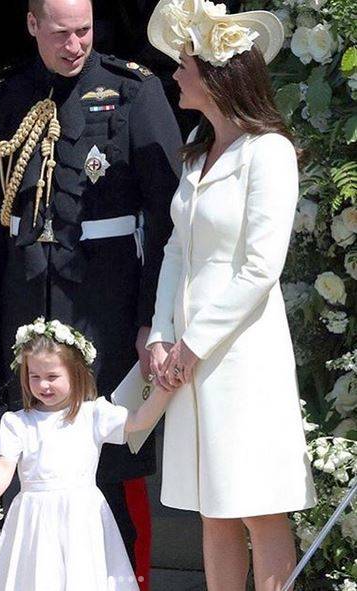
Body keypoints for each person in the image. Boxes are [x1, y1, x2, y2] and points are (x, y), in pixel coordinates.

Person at [0, 0, 182, 580]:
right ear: (32, 25)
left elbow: (166, 219)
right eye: (60, 33)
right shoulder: (4, 98)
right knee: (25, 465)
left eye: (84, 31)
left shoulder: (132, 90)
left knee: (111, 471)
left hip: (106, 306)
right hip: (27, 302)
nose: (75, 45)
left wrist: (152, 318)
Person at [145, 1, 317, 590]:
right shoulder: (198, 149)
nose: (175, 74)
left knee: (256, 502)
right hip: (189, 355)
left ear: (217, 75)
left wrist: (193, 342)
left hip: (240, 354)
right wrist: (162, 333)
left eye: (184, 64)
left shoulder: (268, 151)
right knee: (212, 504)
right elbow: (175, 250)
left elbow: (260, 268)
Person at [0, 318, 174, 591]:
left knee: (81, 576)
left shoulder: (93, 414)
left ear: (75, 373)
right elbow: (4, 465)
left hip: (80, 516)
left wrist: (165, 387)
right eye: (34, 377)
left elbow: (140, 420)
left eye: (52, 377)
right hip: (33, 518)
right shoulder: (18, 422)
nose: (43, 385)